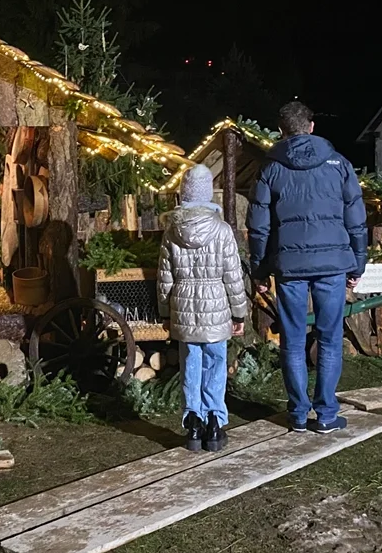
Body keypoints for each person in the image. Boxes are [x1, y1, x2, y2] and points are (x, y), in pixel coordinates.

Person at [247, 101, 367, 434]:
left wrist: (259, 270)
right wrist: (358, 262)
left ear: (282, 131)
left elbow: (259, 227)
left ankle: (298, 413)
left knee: (293, 341)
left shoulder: (270, 168)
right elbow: (357, 220)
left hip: (289, 267)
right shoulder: (339, 164)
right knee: (330, 339)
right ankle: (327, 413)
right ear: (311, 126)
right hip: (332, 265)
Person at [157, 164, 249, 452]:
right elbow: (233, 276)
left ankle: (192, 422)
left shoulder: (172, 232)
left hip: (183, 306)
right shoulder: (222, 231)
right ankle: (214, 421)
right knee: (216, 364)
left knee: (191, 365)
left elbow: (164, 277)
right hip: (216, 306)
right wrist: (239, 312)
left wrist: (164, 312)